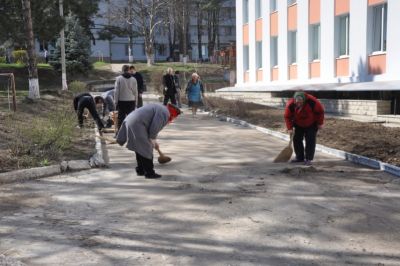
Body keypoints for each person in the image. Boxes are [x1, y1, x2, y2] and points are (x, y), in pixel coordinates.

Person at [116, 103, 181, 179]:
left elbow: (151, 126)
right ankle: (149, 173)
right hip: (138, 123)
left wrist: (153, 140)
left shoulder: (160, 108)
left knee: (139, 147)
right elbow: (154, 128)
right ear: (173, 113)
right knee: (147, 148)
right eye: (175, 117)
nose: (173, 119)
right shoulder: (165, 113)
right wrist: (153, 140)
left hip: (131, 120)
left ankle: (141, 170)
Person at [284, 91, 324, 166]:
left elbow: (320, 112)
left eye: (301, 102)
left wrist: (320, 123)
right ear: (295, 100)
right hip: (298, 123)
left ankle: (308, 158)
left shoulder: (313, 102)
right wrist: (289, 128)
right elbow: (287, 116)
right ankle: (299, 157)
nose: (299, 104)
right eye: (297, 102)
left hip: (311, 123)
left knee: (310, 140)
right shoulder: (290, 104)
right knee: (296, 139)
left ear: (304, 100)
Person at [114, 65, 138, 132]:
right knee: (131, 119)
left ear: (122, 70)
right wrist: (136, 102)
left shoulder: (118, 79)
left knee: (120, 119)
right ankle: (132, 134)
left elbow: (116, 91)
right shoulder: (133, 79)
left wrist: (115, 102)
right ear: (129, 70)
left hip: (121, 101)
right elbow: (135, 92)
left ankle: (119, 134)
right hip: (131, 101)